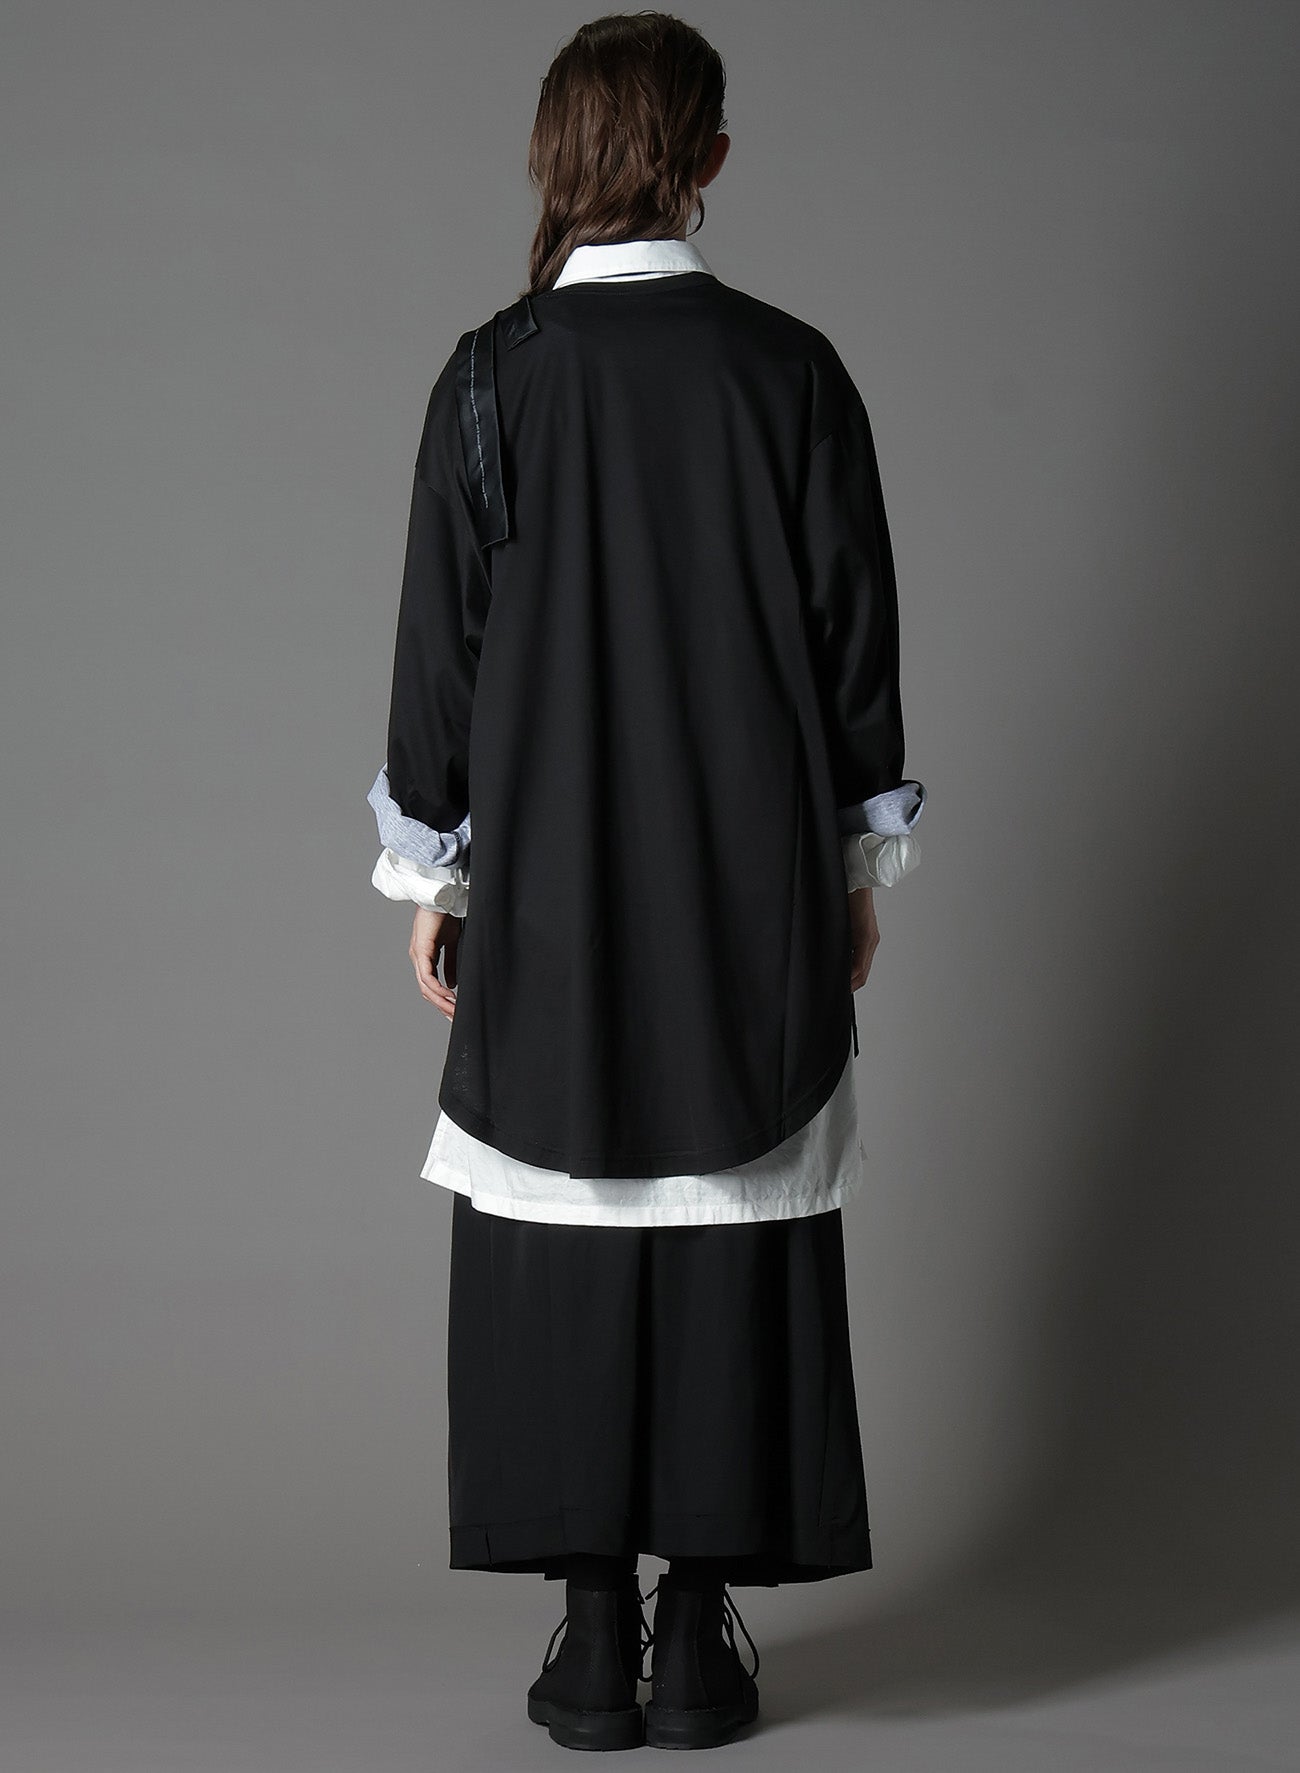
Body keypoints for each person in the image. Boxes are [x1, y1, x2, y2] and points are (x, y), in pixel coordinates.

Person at [366, 11, 926, 1753]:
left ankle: (593, 1630)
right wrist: (856, 867)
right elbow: (852, 654)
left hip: (552, 888)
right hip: (751, 886)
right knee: (736, 1228)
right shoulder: (793, 373)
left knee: (559, 1236)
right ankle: (699, 1637)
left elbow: (440, 667)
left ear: (550, 157)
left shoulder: (490, 377)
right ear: (713, 159)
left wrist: (432, 874)